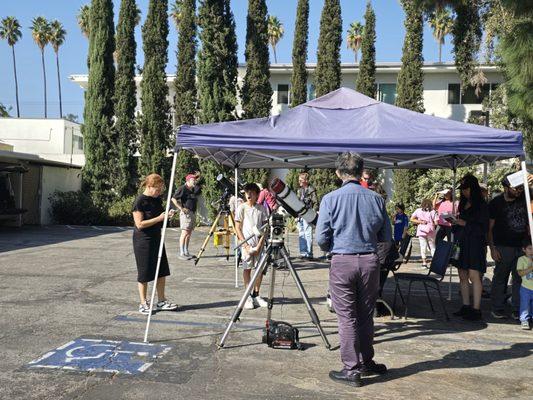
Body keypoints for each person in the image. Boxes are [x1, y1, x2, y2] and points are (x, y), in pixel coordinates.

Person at [316, 152, 391, 387]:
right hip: (369, 261)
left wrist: (332, 249)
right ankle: (367, 361)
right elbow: (386, 236)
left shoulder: (330, 199)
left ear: (339, 173)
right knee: (365, 314)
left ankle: (352, 369)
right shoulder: (376, 199)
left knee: (346, 317)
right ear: (361, 172)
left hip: (342, 260)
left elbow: (321, 237)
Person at [132, 174, 178, 315]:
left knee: (161, 270)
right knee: (144, 272)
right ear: (149, 186)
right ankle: (143, 302)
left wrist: (167, 216)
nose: (159, 192)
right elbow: (139, 224)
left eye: (160, 190)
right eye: (157, 189)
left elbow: (160, 218)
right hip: (143, 240)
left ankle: (161, 300)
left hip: (157, 238)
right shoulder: (140, 201)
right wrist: (159, 218)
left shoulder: (156, 200)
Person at [488, 174, 529, 319]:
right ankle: (497, 307)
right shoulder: (495, 203)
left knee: (519, 278)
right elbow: (490, 228)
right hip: (503, 246)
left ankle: (517, 309)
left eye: (520, 188)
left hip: (522, 246)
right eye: (515, 188)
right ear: (505, 187)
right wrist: (492, 248)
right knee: (500, 276)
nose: (518, 190)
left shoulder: (524, 198)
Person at [451, 174, 489, 321]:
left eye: (467, 189)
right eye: (463, 189)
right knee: (462, 275)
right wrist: (455, 222)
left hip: (475, 244)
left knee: (474, 275)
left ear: (473, 188)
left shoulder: (482, 205)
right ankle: (466, 305)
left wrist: (465, 224)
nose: (464, 192)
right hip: (461, 242)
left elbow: (483, 228)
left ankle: (476, 308)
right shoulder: (462, 203)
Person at [235, 183, 269, 310]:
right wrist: (245, 245)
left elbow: (265, 228)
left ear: (256, 194)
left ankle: (256, 295)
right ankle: (248, 295)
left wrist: (260, 245)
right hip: (246, 245)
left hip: (259, 244)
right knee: (247, 268)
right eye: (247, 192)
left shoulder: (261, 209)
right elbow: (237, 227)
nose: (249, 195)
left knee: (259, 270)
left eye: (252, 193)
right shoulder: (241, 208)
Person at [172, 172, 201, 260]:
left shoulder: (192, 189)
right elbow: (173, 199)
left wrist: (198, 177)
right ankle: (181, 252)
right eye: (193, 180)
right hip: (186, 214)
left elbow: (199, 185)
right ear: (188, 180)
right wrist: (181, 208)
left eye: (195, 180)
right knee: (184, 233)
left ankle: (186, 251)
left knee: (189, 233)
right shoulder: (183, 188)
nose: (194, 181)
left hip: (192, 213)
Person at [296, 172, 319, 259]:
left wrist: (313, 213)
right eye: (299, 180)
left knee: (308, 233)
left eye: (301, 180)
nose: (299, 181)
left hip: (308, 214)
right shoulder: (299, 190)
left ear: (306, 180)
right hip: (300, 214)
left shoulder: (311, 189)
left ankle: (309, 253)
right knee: (301, 233)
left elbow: (316, 202)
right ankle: (303, 253)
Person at [410, 199, 437, 269]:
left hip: (421, 230)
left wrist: (420, 221)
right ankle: (434, 263)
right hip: (430, 231)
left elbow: (412, 219)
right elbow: (436, 222)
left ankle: (424, 263)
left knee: (423, 247)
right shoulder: (433, 211)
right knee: (432, 247)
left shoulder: (418, 210)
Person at [516, 239, 533, 330]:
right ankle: (524, 320)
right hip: (526, 288)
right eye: (530, 249)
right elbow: (520, 273)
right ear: (524, 249)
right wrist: (531, 267)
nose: (532, 251)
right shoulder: (521, 259)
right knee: (525, 305)